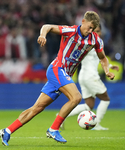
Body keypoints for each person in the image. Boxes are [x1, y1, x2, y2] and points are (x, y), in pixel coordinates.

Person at [0, 11, 115, 146]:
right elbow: (47, 26)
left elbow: (103, 58)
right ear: (83, 22)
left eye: (93, 29)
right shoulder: (70, 31)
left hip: (64, 75)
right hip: (57, 69)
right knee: (76, 97)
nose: (90, 31)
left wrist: (107, 70)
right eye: (89, 27)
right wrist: (43, 35)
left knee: (37, 107)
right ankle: (54, 128)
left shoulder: (95, 39)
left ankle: (7, 131)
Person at [59, 24, 119, 130]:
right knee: (105, 99)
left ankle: (62, 116)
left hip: (84, 76)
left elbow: (100, 58)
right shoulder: (90, 43)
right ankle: (97, 124)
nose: (98, 33)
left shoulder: (93, 42)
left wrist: (109, 65)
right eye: (96, 31)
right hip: (91, 76)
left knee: (89, 105)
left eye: (99, 31)